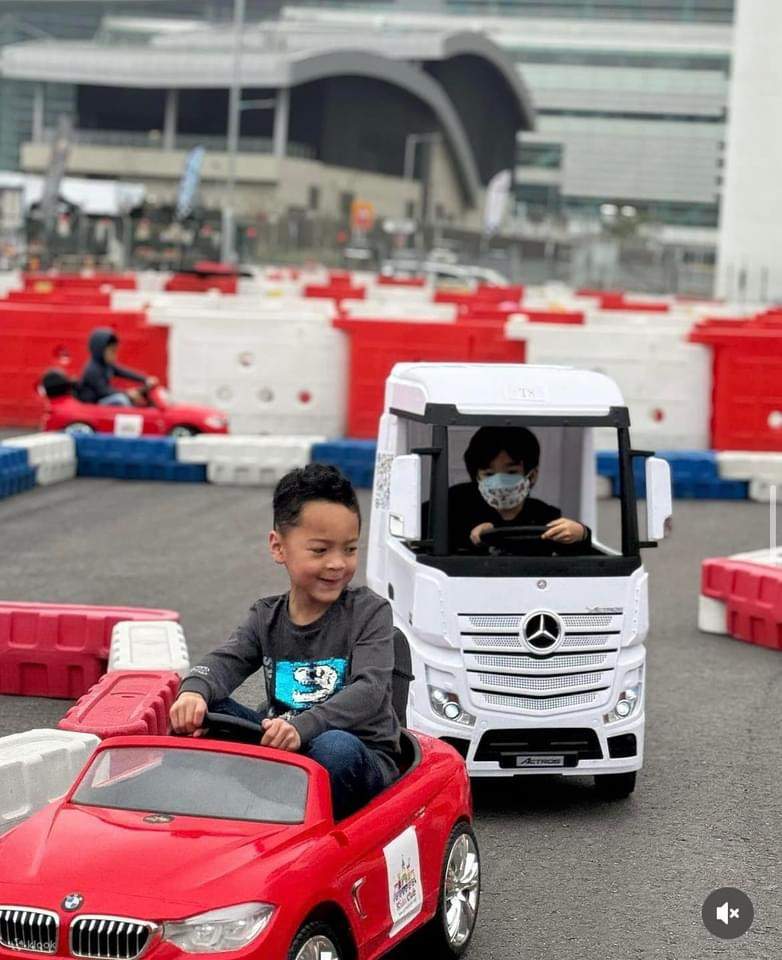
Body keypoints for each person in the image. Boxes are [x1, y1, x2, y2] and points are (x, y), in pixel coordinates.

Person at [170, 464, 401, 820]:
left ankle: (304, 828)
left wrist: (301, 726)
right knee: (208, 712)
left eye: (350, 549)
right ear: (279, 547)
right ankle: (211, 819)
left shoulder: (370, 613)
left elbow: (369, 691)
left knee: (333, 748)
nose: (338, 564)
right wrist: (194, 692)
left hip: (357, 756)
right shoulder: (266, 616)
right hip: (284, 750)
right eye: (321, 550)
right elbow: (225, 661)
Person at [447, 426, 590, 552]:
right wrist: (472, 538)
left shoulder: (545, 515)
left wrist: (581, 533)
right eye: (489, 474)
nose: (499, 482)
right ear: (477, 477)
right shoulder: (453, 506)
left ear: (532, 475)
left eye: (511, 472)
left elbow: (574, 557)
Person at [77, 328, 157, 406]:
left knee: (130, 398)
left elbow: (124, 372)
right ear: (99, 350)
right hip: (93, 405)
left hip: (102, 399)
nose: (115, 355)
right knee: (121, 399)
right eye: (112, 351)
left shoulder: (106, 364)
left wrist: (145, 379)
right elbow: (104, 391)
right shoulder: (92, 370)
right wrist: (127, 393)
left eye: (116, 351)